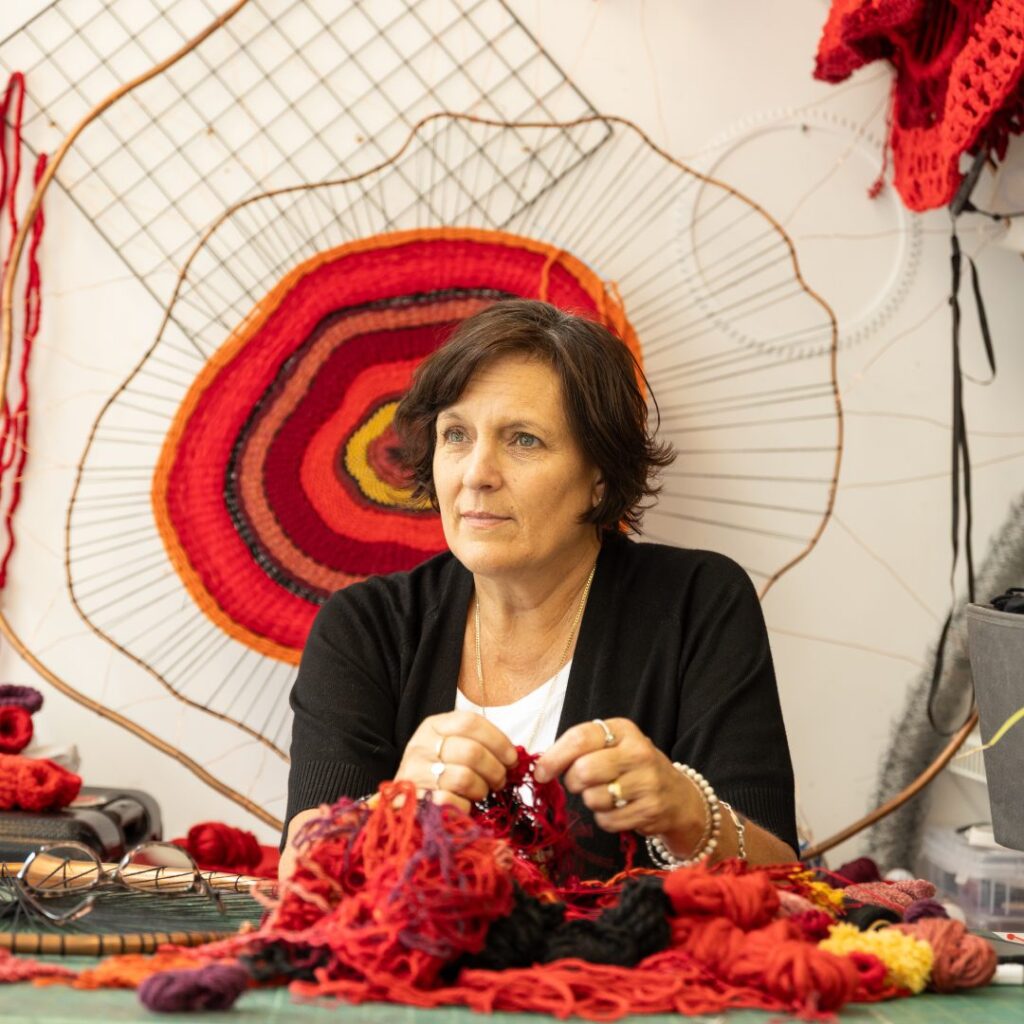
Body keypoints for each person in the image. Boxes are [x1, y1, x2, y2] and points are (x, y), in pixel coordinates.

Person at [280, 299, 797, 881]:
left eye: (523, 439)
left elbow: (787, 875)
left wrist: (687, 813)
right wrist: (394, 812)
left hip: (624, 969)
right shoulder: (366, 625)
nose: (477, 472)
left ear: (598, 477)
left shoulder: (698, 603)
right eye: (456, 435)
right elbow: (301, 870)